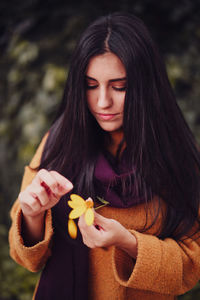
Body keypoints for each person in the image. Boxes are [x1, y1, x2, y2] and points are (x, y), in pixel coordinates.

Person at [9, 12, 200, 300]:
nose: (102, 102)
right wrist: (33, 215)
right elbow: (26, 258)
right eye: (90, 85)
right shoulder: (59, 143)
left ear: (146, 86)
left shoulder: (175, 155)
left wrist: (129, 242)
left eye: (119, 86)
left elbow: (192, 264)